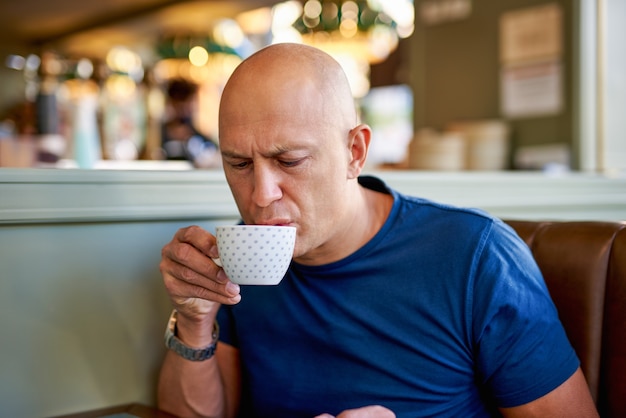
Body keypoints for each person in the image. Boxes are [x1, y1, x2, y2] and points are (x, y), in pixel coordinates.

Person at [157, 43, 598, 418]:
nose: (260, 195)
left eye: (289, 161)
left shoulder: (475, 256)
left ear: (355, 151)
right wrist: (195, 322)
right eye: (238, 164)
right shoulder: (242, 256)